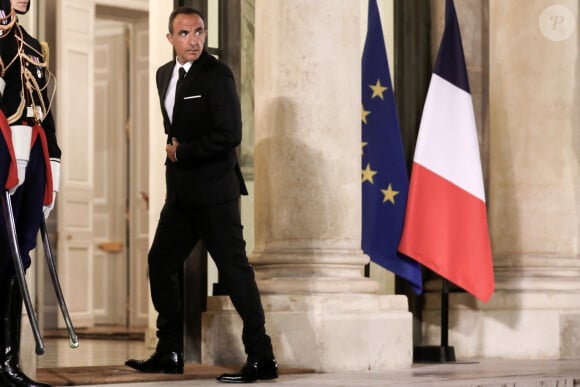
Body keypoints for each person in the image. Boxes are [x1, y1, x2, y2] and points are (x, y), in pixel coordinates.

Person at [125, 7, 277, 384]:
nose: (193, 40)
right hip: (181, 194)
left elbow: (230, 134)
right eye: (184, 33)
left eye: (199, 32)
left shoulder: (217, 74)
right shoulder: (163, 75)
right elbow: (174, 128)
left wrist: (183, 152)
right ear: (171, 39)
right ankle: (169, 351)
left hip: (215, 192)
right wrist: (175, 157)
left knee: (235, 272)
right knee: (160, 262)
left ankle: (262, 357)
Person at [0, 0, 60, 386]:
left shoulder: (36, 46)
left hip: (32, 153)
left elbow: (44, 108)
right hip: (3, 151)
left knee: (18, 258)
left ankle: (7, 362)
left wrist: (54, 156)